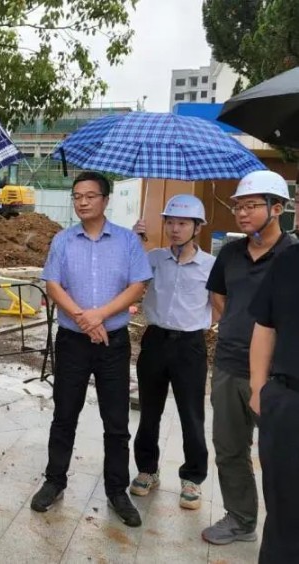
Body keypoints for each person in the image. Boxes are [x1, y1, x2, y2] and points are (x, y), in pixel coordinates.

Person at [30, 171, 152, 528]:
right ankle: (54, 480)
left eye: (90, 196)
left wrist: (100, 315)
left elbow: (138, 285)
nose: (82, 202)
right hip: (72, 342)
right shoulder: (63, 240)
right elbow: (53, 285)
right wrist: (85, 319)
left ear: (105, 199)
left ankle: (116, 490)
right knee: (64, 414)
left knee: (116, 420)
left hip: (113, 343)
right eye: (77, 196)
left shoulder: (127, 241)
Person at [201, 169, 294, 545]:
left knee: (282, 456)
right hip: (228, 365)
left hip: (278, 376)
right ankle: (240, 518)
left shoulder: (292, 257)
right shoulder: (230, 253)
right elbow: (218, 296)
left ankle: (286, 527)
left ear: (277, 208)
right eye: (237, 206)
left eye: (251, 205)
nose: (241, 213)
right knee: (229, 448)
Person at [129, 195, 214, 510]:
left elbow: (219, 305)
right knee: (149, 411)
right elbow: (128, 275)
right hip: (155, 341)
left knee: (191, 414)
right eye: (170, 222)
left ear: (197, 227)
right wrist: (134, 241)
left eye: (183, 223)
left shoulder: (210, 266)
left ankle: (192, 478)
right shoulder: (153, 258)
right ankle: (147, 470)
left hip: (190, 346)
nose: (175, 229)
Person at [249, 241, 299, 563]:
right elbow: (265, 326)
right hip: (289, 402)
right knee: (284, 515)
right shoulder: (289, 261)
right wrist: (259, 389)